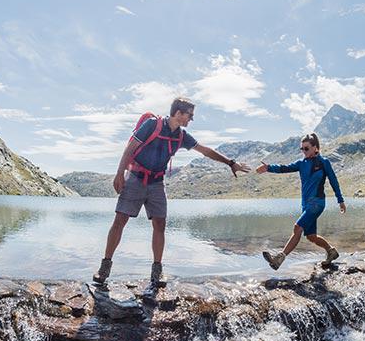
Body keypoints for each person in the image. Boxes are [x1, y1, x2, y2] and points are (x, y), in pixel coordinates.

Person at [93, 97, 250, 286]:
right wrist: (119, 173)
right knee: (119, 221)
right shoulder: (152, 125)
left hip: (157, 183)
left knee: (160, 225)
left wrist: (231, 163)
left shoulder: (181, 136)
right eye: (189, 115)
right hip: (135, 178)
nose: (191, 120)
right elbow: (130, 148)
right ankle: (105, 267)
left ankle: (157, 271)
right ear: (178, 113)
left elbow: (205, 151)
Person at [256, 133, 346, 270]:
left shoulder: (324, 163)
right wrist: (268, 168)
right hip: (305, 204)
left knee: (297, 227)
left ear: (315, 148)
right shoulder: (301, 163)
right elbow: (284, 168)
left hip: (317, 203)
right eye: (302, 149)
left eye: (307, 148)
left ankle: (279, 259)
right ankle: (331, 251)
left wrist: (340, 200)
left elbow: (334, 182)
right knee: (311, 236)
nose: (304, 151)